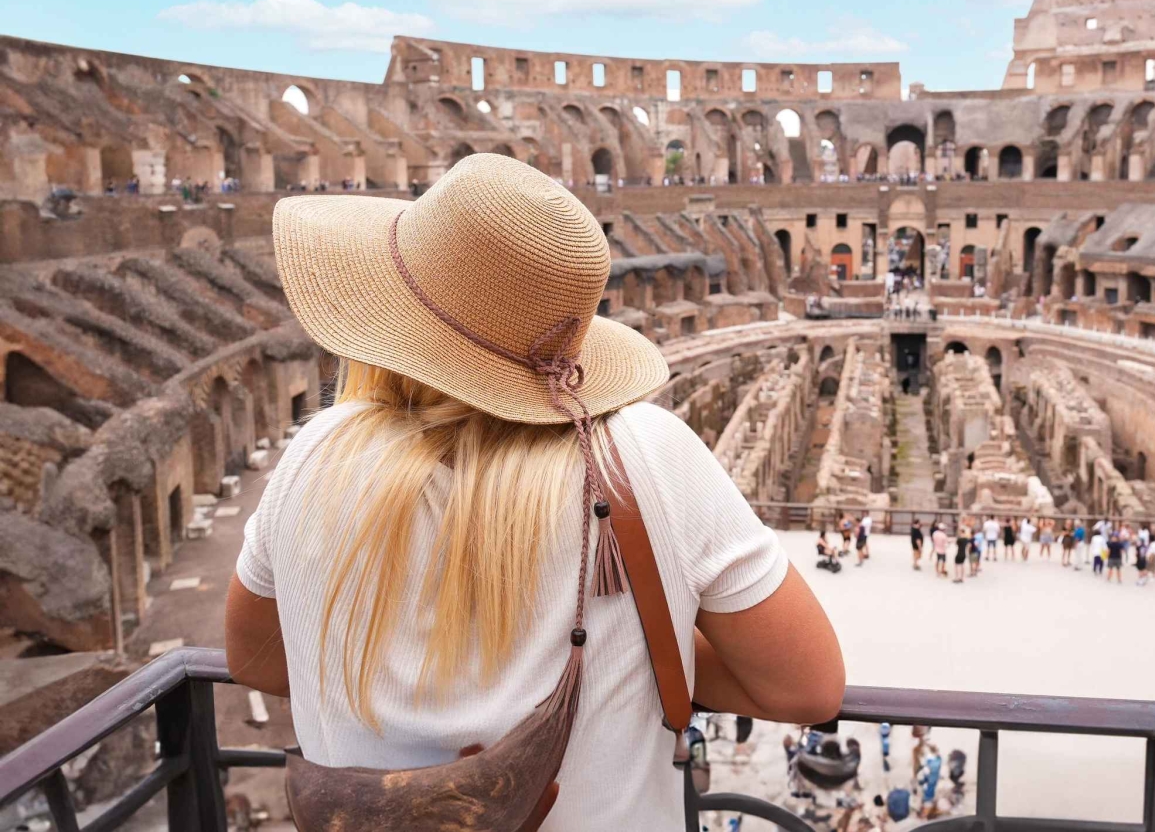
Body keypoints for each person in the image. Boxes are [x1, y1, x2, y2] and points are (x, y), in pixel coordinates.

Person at [223, 156, 843, 830]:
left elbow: (254, 657)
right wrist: (630, 653)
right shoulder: (645, 454)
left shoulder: (316, 455)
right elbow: (806, 686)